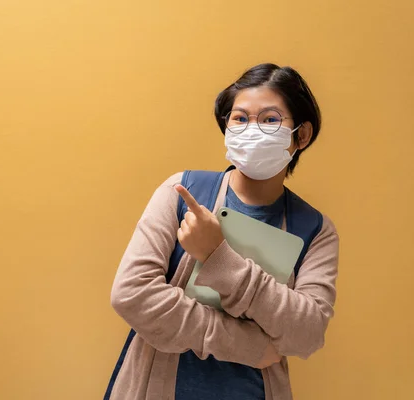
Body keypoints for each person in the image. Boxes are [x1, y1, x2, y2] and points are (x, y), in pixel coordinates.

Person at [104, 63, 339, 400]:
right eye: (239, 118)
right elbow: (132, 294)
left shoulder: (314, 230)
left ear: (301, 135)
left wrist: (219, 258)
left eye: (270, 120)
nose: (251, 129)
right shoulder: (182, 191)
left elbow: (307, 333)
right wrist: (246, 345)